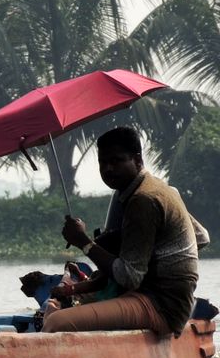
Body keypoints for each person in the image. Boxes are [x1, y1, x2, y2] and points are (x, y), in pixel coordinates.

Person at [42, 126, 199, 336]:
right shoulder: (159, 188)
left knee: (56, 322)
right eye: (103, 162)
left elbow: (128, 278)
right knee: (63, 309)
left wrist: (83, 242)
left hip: (161, 305)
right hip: (163, 299)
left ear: (137, 159)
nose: (108, 169)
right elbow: (201, 237)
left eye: (116, 161)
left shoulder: (143, 199)